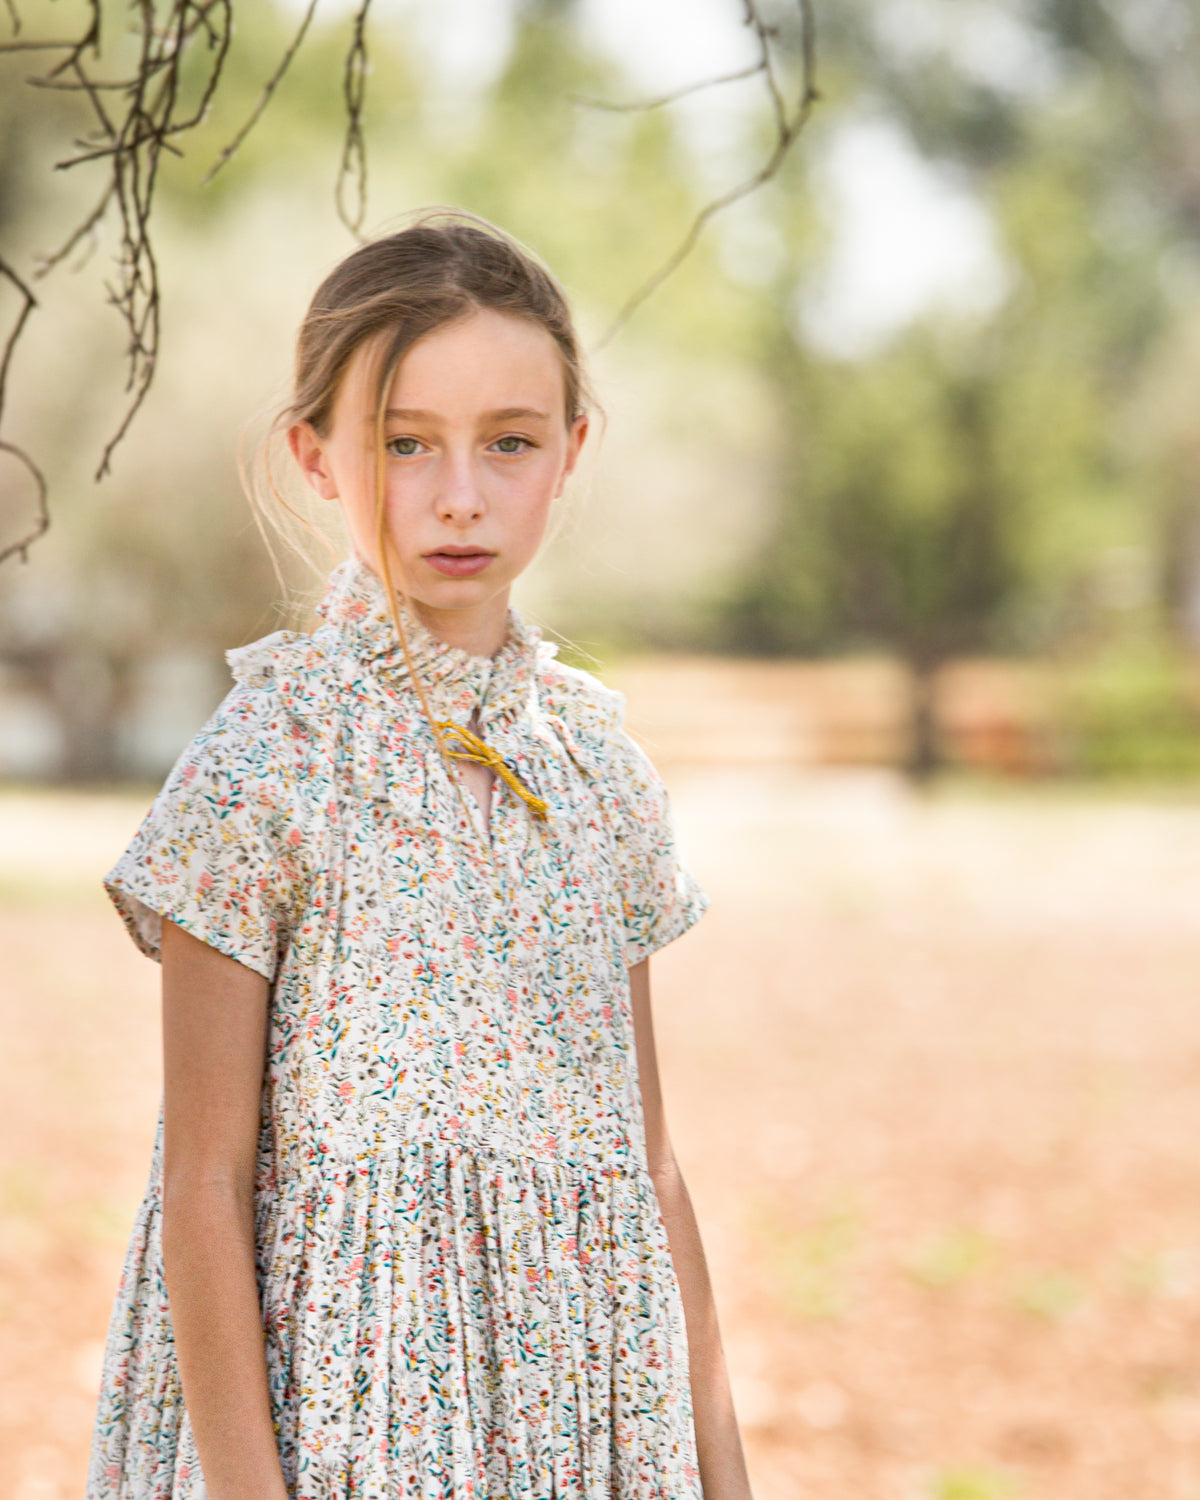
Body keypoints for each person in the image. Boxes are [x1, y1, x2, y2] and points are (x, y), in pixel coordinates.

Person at [87, 213, 752, 1500]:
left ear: (570, 452)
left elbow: (650, 1165)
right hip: (340, 1429)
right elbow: (204, 1186)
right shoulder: (270, 761)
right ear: (316, 456)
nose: (461, 494)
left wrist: (724, 1480)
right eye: (405, 443)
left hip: (580, 1425)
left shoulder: (602, 776)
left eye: (510, 441)